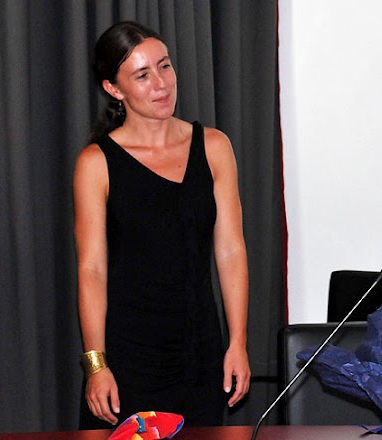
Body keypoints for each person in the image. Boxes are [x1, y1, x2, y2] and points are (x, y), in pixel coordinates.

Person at [74, 21, 251, 428]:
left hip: (201, 357)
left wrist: (237, 342)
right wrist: (96, 365)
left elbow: (230, 251)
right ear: (114, 89)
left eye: (165, 66)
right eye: (142, 75)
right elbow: (92, 270)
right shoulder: (96, 164)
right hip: (127, 363)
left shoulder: (214, 147)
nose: (161, 83)